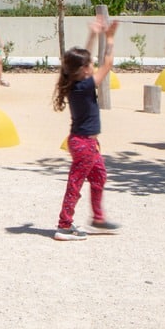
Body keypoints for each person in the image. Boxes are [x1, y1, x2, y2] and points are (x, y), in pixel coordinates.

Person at [53, 17, 122, 241]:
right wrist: (109, 38)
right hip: (84, 144)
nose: (92, 66)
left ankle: (98, 219)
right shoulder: (84, 85)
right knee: (75, 183)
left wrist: (93, 35)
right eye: (89, 65)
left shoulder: (75, 80)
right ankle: (64, 225)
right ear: (82, 70)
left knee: (99, 176)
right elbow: (108, 64)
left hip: (86, 143)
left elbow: (84, 59)